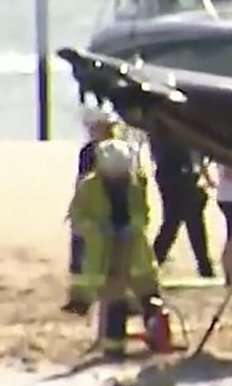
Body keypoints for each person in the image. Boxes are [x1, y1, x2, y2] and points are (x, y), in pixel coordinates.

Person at [67, 139, 164, 360]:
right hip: (104, 252)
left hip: (135, 250)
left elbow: (143, 213)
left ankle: (158, 337)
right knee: (114, 299)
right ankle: (114, 348)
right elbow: (78, 217)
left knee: (150, 295)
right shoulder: (89, 186)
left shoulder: (135, 183)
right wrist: (98, 229)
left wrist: (132, 227)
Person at [63, 105, 123, 314]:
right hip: (107, 208)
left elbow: (84, 182)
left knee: (87, 254)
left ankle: (83, 299)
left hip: (96, 208)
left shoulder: (94, 151)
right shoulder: (120, 150)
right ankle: (84, 298)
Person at [150, 132, 216, 278]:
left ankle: (155, 260)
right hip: (176, 174)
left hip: (179, 174)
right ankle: (204, 267)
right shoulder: (168, 129)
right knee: (187, 221)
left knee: (176, 221)